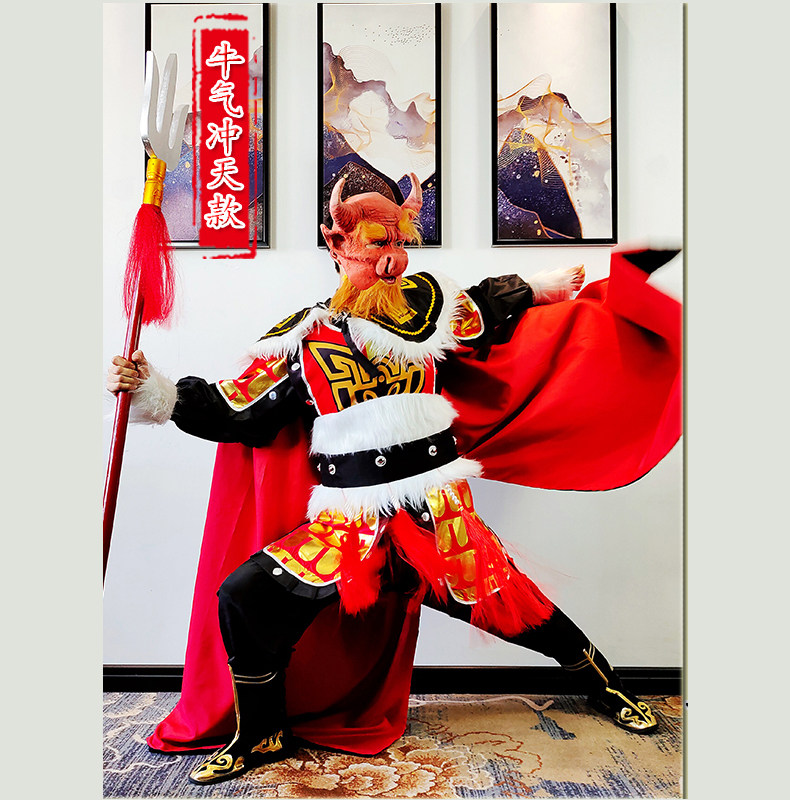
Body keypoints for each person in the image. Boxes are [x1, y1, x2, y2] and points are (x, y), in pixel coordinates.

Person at [108, 175, 679, 786]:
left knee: (514, 602)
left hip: (436, 509)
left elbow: (488, 307)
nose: (392, 256)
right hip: (349, 522)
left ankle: (604, 683)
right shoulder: (302, 339)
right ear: (336, 244)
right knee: (246, 596)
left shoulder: (429, 310)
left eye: (399, 240)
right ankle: (260, 731)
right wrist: (153, 389)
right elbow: (236, 408)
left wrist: (541, 289)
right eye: (377, 240)